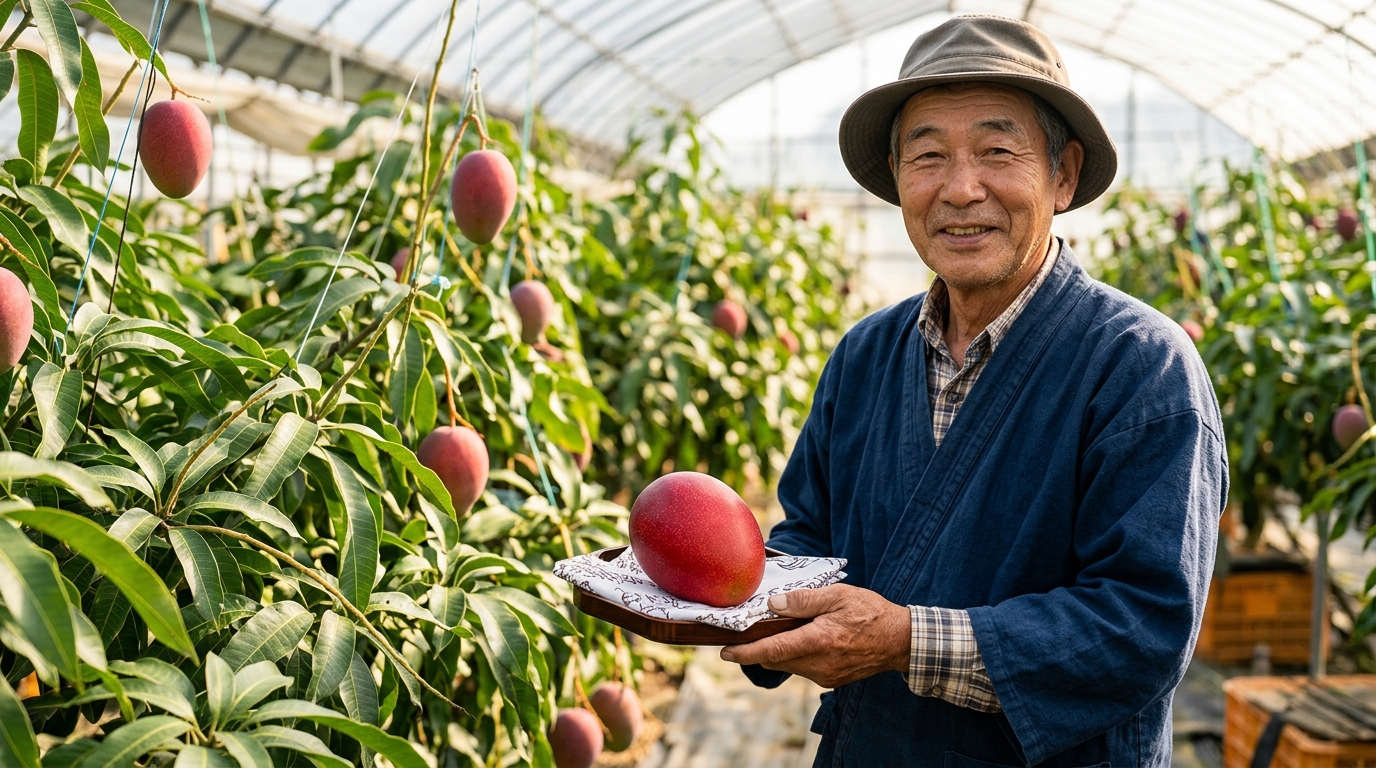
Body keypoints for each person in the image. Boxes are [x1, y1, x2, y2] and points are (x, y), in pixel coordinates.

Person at [719, 15, 1227, 767]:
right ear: (897, 179)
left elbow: (1142, 626)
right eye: (928, 156)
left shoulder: (1140, 368)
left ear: (1062, 174)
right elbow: (810, 540)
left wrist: (904, 641)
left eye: (997, 151)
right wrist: (726, 597)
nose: (961, 189)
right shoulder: (865, 355)